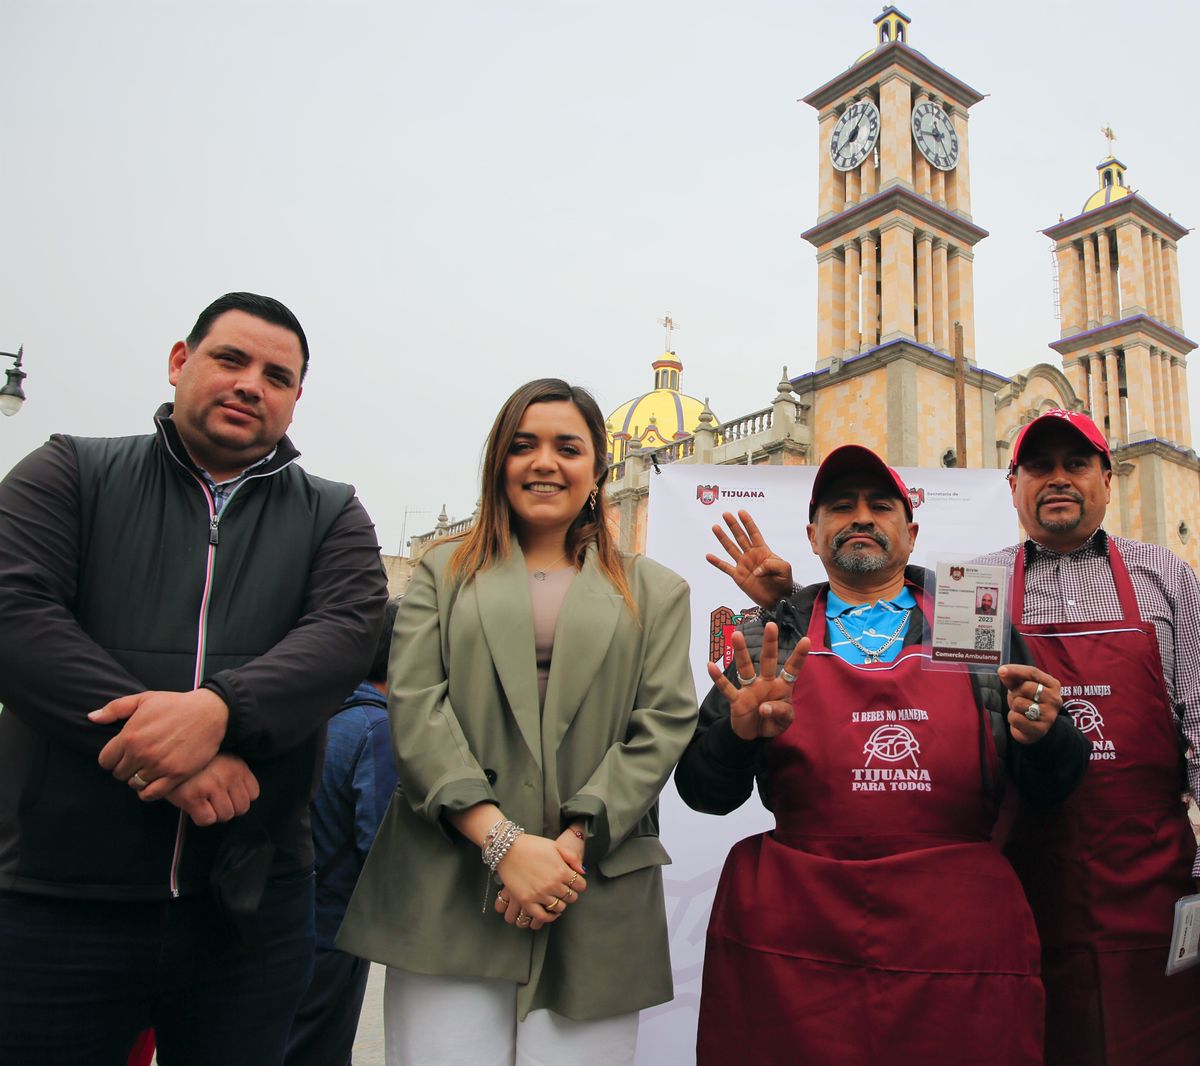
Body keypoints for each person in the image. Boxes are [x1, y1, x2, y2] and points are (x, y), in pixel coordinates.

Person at [709, 409, 1200, 1066]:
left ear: (1106, 478)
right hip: (1025, 877)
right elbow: (930, 706)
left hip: (1154, 875)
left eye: (1076, 465)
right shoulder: (973, 589)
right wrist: (790, 602)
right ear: (1014, 485)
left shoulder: (1164, 575)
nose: (1058, 480)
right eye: (1039, 467)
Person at [0, 292, 389, 1064]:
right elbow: (15, 611)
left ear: (296, 398)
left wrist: (219, 710)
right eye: (230, 359)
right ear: (181, 361)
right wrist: (173, 751)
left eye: (277, 375)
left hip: (249, 904)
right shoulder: (70, 470)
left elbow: (344, 636)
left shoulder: (332, 514)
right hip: (60, 897)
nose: (252, 384)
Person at [679, 444, 1089, 1065]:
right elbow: (704, 793)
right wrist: (736, 736)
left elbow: (1053, 782)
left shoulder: (966, 613)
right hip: (800, 933)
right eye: (841, 507)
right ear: (814, 536)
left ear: (912, 530)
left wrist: (1046, 734)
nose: (861, 517)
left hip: (953, 930)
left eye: (880, 505)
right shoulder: (777, 630)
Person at [337, 379, 698, 1066]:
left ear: (598, 469)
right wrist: (503, 844)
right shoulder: (443, 573)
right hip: (451, 878)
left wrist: (565, 850)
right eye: (524, 445)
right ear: (498, 461)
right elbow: (417, 708)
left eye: (569, 447)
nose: (545, 462)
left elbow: (663, 723)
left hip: (589, 885)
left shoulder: (655, 591)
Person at [287, 598, 402, 1066]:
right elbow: (381, 844)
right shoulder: (377, 728)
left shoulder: (318, 715)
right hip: (334, 930)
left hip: (289, 918)